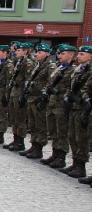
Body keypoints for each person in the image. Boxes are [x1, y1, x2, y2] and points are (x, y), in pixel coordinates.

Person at [40, 45, 76, 168]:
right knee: (53, 130)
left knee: (62, 132)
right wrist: (45, 92)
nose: (59, 56)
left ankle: (61, 157)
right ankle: (55, 154)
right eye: (59, 54)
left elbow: (73, 88)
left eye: (63, 54)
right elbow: (49, 83)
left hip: (61, 105)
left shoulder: (73, 70)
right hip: (52, 103)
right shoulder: (59, 68)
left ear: (71, 55)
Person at [60, 45, 92, 179]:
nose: (79, 56)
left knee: (82, 138)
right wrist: (67, 97)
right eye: (79, 54)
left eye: (82, 54)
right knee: (72, 135)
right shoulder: (78, 70)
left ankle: (81, 166)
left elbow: (86, 89)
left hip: (83, 108)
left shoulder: (89, 71)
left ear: (90, 56)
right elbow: (70, 87)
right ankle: (75, 162)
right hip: (74, 107)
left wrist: (83, 100)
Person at [20, 44, 53, 159]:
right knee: (32, 124)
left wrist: (43, 94)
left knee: (40, 125)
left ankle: (39, 148)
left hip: (39, 99)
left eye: (40, 52)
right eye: (37, 52)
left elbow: (50, 83)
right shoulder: (38, 66)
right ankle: (34, 145)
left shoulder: (50, 66)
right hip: (31, 98)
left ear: (47, 54)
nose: (37, 54)